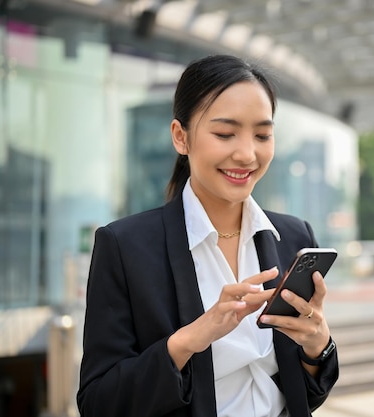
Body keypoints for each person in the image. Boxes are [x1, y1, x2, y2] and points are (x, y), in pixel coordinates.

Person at [76, 54, 339, 417]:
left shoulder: (293, 236)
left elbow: (300, 395)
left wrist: (317, 346)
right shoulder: (125, 247)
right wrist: (189, 340)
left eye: (262, 134)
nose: (247, 154)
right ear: (181, 137)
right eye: (225, 133)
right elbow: (98, 403)